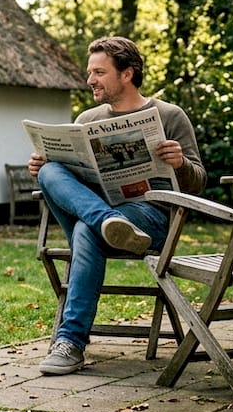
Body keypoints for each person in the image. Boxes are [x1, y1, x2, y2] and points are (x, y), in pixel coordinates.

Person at [29, 36, 206, 375]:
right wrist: (42, 166)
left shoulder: (169, 115)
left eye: (99, 72)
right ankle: (106, 220)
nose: (90, 80)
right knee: (50, 171)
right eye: (89, 72)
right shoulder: (87, 118)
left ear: (127, 74)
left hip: (149, 219)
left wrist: (180, 163)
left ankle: (70, 343)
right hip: (102, 210)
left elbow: (198, 182)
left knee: (86, 230)